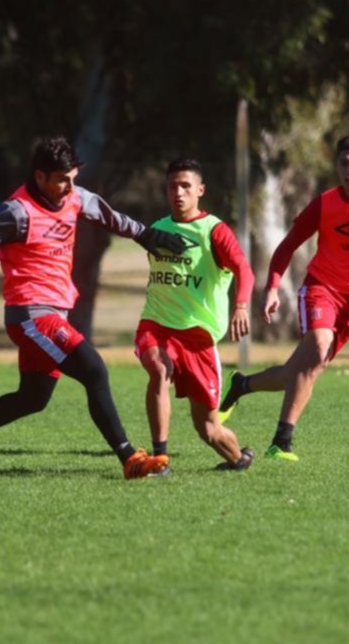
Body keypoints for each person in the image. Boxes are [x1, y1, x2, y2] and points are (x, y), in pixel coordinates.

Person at [0, 136, 187, 479]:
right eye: (61, 179)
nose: (70, 187)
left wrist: (147, 236)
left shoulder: (75, 197)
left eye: (73, 177)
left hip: (52, 315)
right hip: (31, 316)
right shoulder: (16, 212)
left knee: (33, 398)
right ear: (40, 177)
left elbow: (111, 217)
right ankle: (131, 459)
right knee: (95, 369)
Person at [218, 133, 349, 461]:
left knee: (301, 371)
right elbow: (287, 246)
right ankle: (281, 443)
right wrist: (272, 287)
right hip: (322, 288)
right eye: (344, 163)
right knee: (317, 349)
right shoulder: (325, 204)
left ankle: (242, 385)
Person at [135, 159, 255, 472]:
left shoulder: (214, 231)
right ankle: (159, 459)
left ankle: (239, 458)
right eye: (173, 186)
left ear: (200, 190)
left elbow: (244, 270)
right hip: (156, 323)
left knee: (208, 429)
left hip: (199, 337)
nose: (179, 192)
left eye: (186, 186)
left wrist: (241, 306)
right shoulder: (156, 230)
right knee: (159, 369)